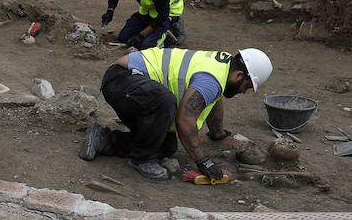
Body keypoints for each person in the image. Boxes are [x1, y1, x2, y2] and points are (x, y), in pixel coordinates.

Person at [80, 46, 272, 182]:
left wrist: (217, 134)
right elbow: (185, 120)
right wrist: (203, 160)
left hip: (135, 89)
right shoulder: (212, 80)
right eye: (246, 86)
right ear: (239, 75)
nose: (244, 91)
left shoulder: (222, 71)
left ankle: (103, 138)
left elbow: (214, 101)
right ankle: (142, 159)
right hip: (122, 80)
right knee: (164, 100)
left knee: (165, 147)